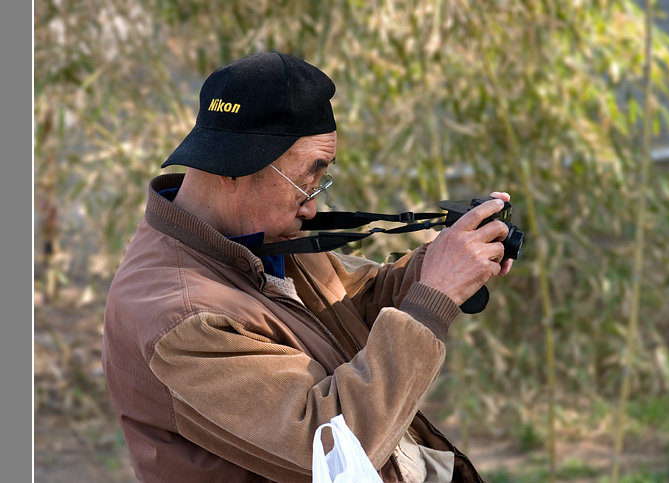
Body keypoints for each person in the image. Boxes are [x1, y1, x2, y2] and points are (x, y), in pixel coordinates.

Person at [102, 52, 514, 483]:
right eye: (306, 180)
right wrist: (435, 296)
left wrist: (447, 259)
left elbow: (352, 305)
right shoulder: (182, 319)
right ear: (234, 168)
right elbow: (336, 452)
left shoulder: (255, 238)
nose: (314, 205)